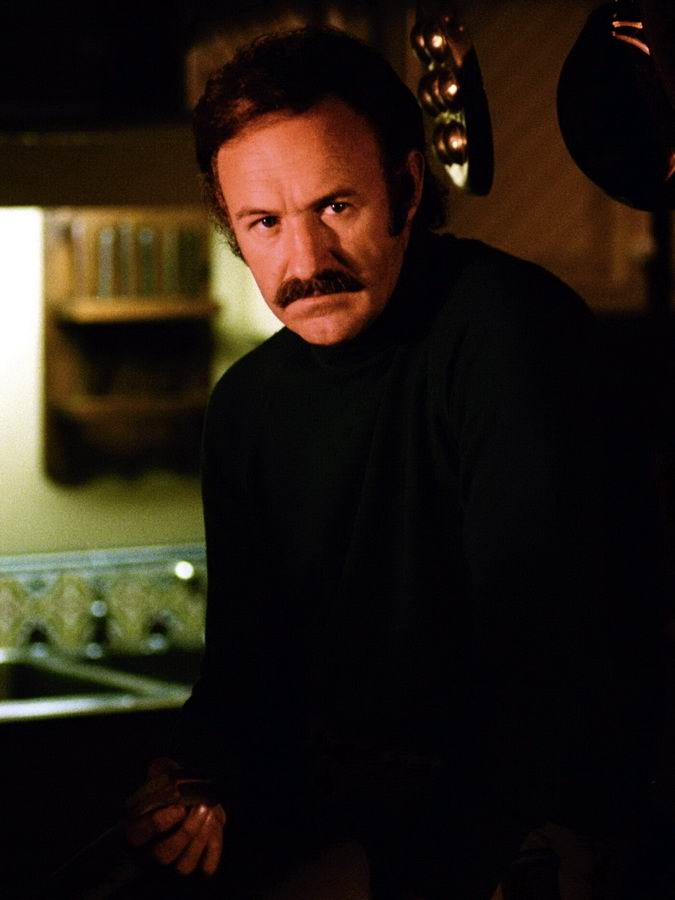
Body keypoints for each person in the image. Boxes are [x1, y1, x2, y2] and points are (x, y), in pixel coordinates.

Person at [124, 25, 666, 900]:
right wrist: (190, 779)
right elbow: (246, 674)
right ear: (232, 230)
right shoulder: (247, 407)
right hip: (356, 827)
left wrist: (378, 866)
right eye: (265, 223)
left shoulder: (508, 333)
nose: (305, 262)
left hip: (537, 840)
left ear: (407, 189)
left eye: (336, 207)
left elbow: (544, 679)